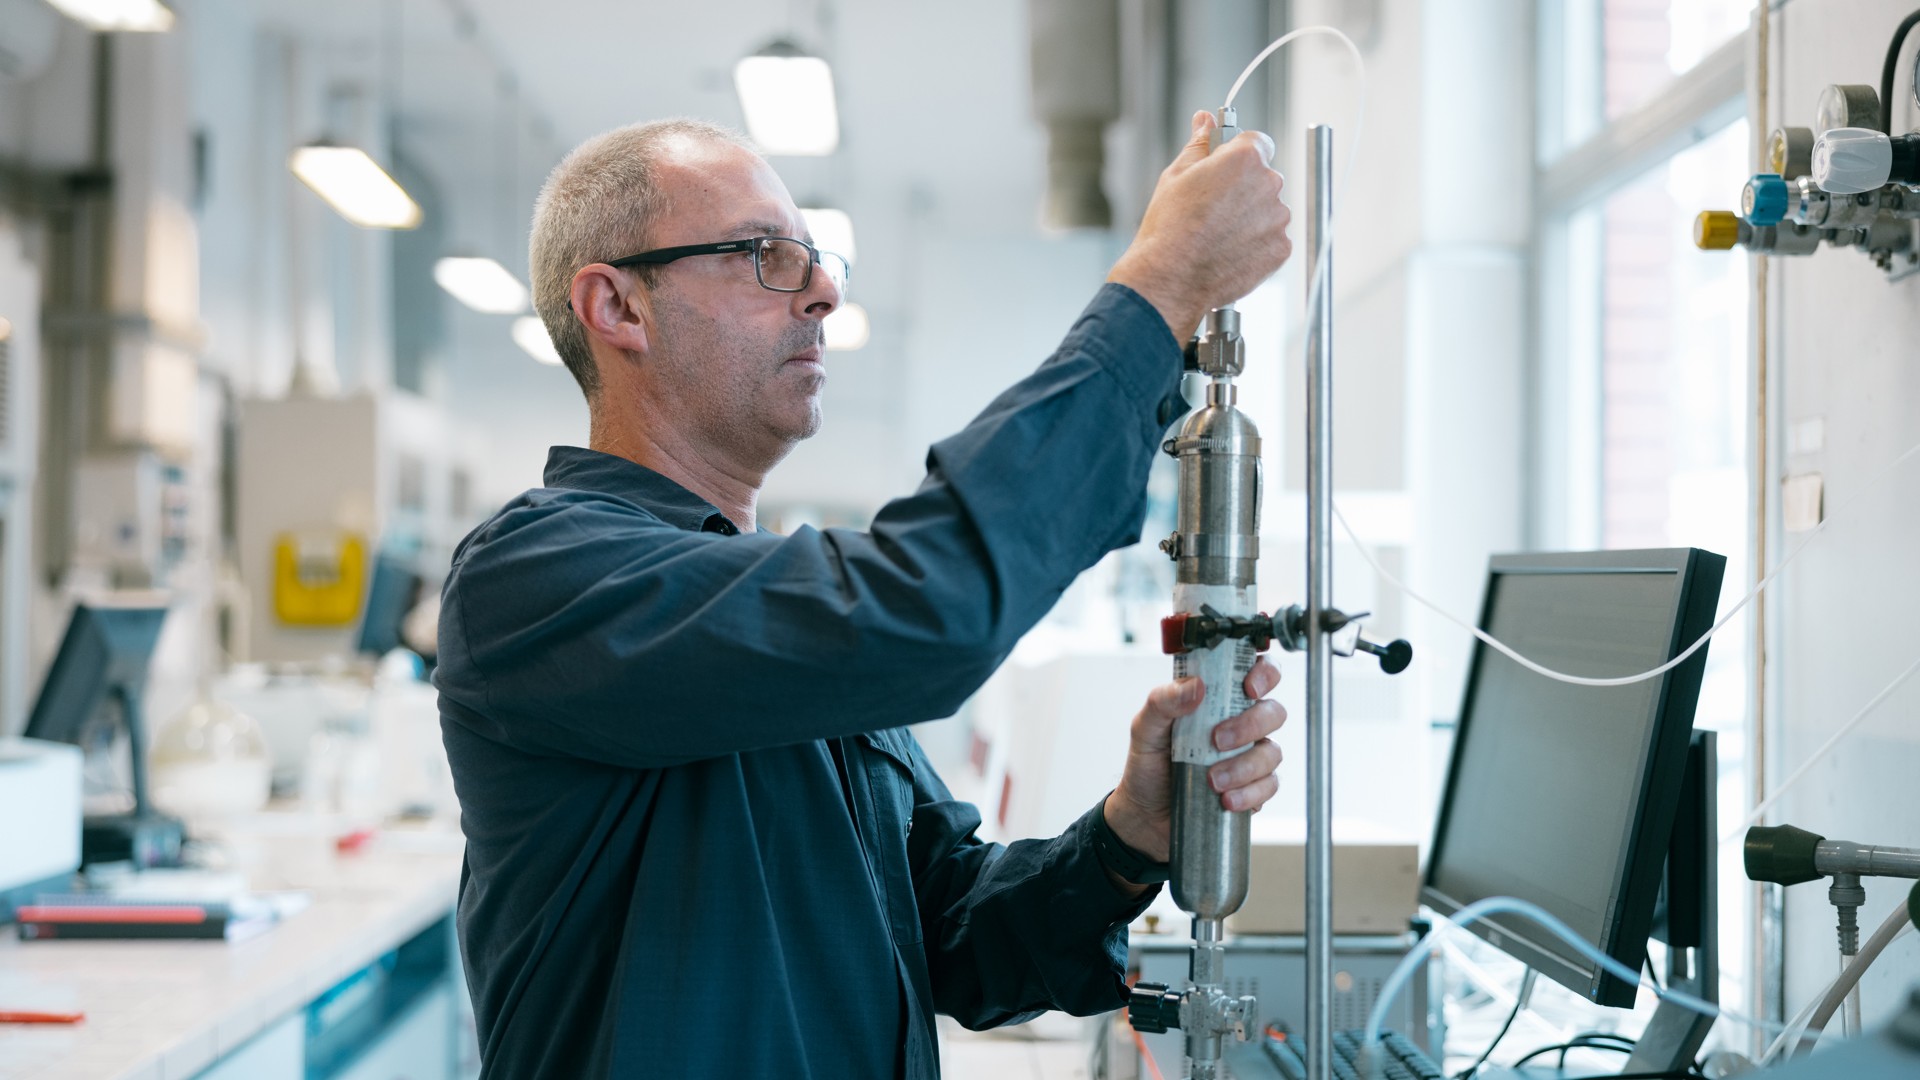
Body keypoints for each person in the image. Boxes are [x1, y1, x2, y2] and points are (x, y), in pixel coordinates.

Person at [434, 110, 1293, 1078]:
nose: (825, 294)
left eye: (818, 259)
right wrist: (1157, 293)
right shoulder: (540, 577)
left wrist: (1127, 835)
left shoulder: (767, 602)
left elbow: (952, 936)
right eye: (765, 256)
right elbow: (928, 610)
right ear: (618, 308)